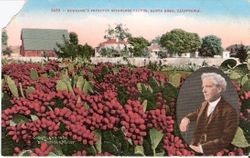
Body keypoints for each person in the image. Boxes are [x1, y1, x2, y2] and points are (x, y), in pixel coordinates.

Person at [179, 72, 238, 155]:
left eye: (208, 86)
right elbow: (196, 114)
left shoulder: (229, 111)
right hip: (194, 148)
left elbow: (226, 139)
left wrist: (202, 148)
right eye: (203, 87)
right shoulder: (204, 104)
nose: (203, 90)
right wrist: (186, 118)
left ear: (219, 89)